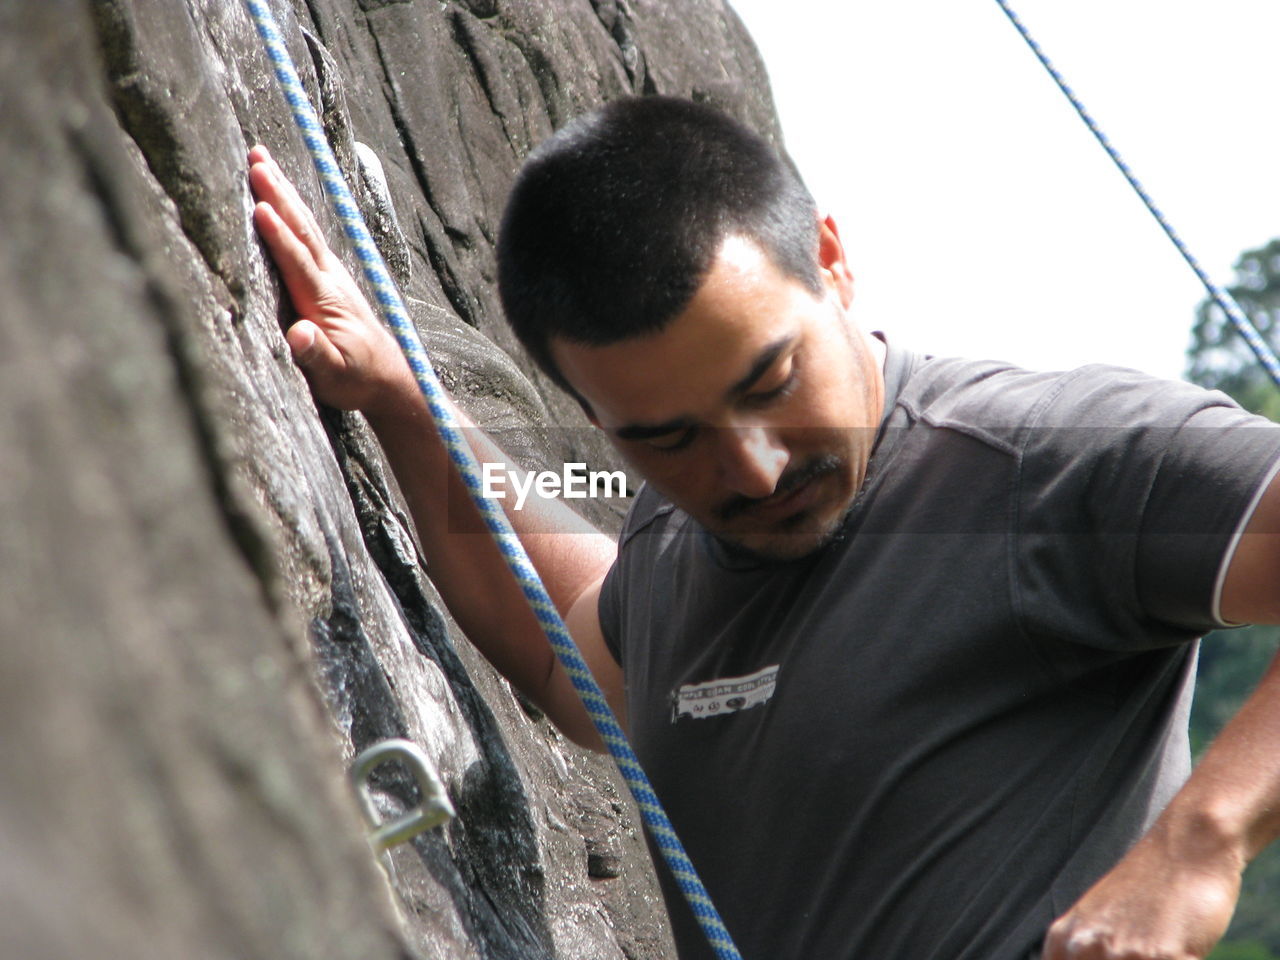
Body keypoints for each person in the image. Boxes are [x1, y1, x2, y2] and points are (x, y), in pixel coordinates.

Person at [248, 95, 1280, 960]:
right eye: (666, 436)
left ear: (829, 261)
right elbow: (568, 640)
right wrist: (398, 397)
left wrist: (1197, 846)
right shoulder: (678, 550)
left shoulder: (1046, 461)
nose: (751, 466)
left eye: (771, 380)